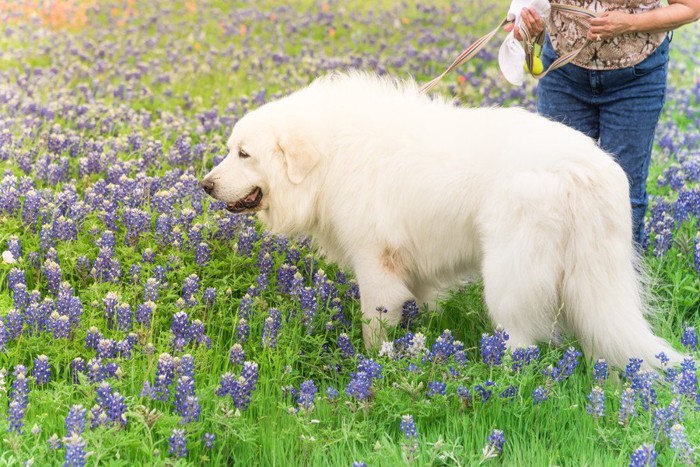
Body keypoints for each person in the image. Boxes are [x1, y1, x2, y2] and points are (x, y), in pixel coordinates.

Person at [510, 1, 700, 247]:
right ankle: (557, 279)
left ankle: (617, 280)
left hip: (635, 78)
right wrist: (527, 22)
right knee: (556, 189)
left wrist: (628, 23)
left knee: (622, 192)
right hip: (564, 73)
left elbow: (690, 7)